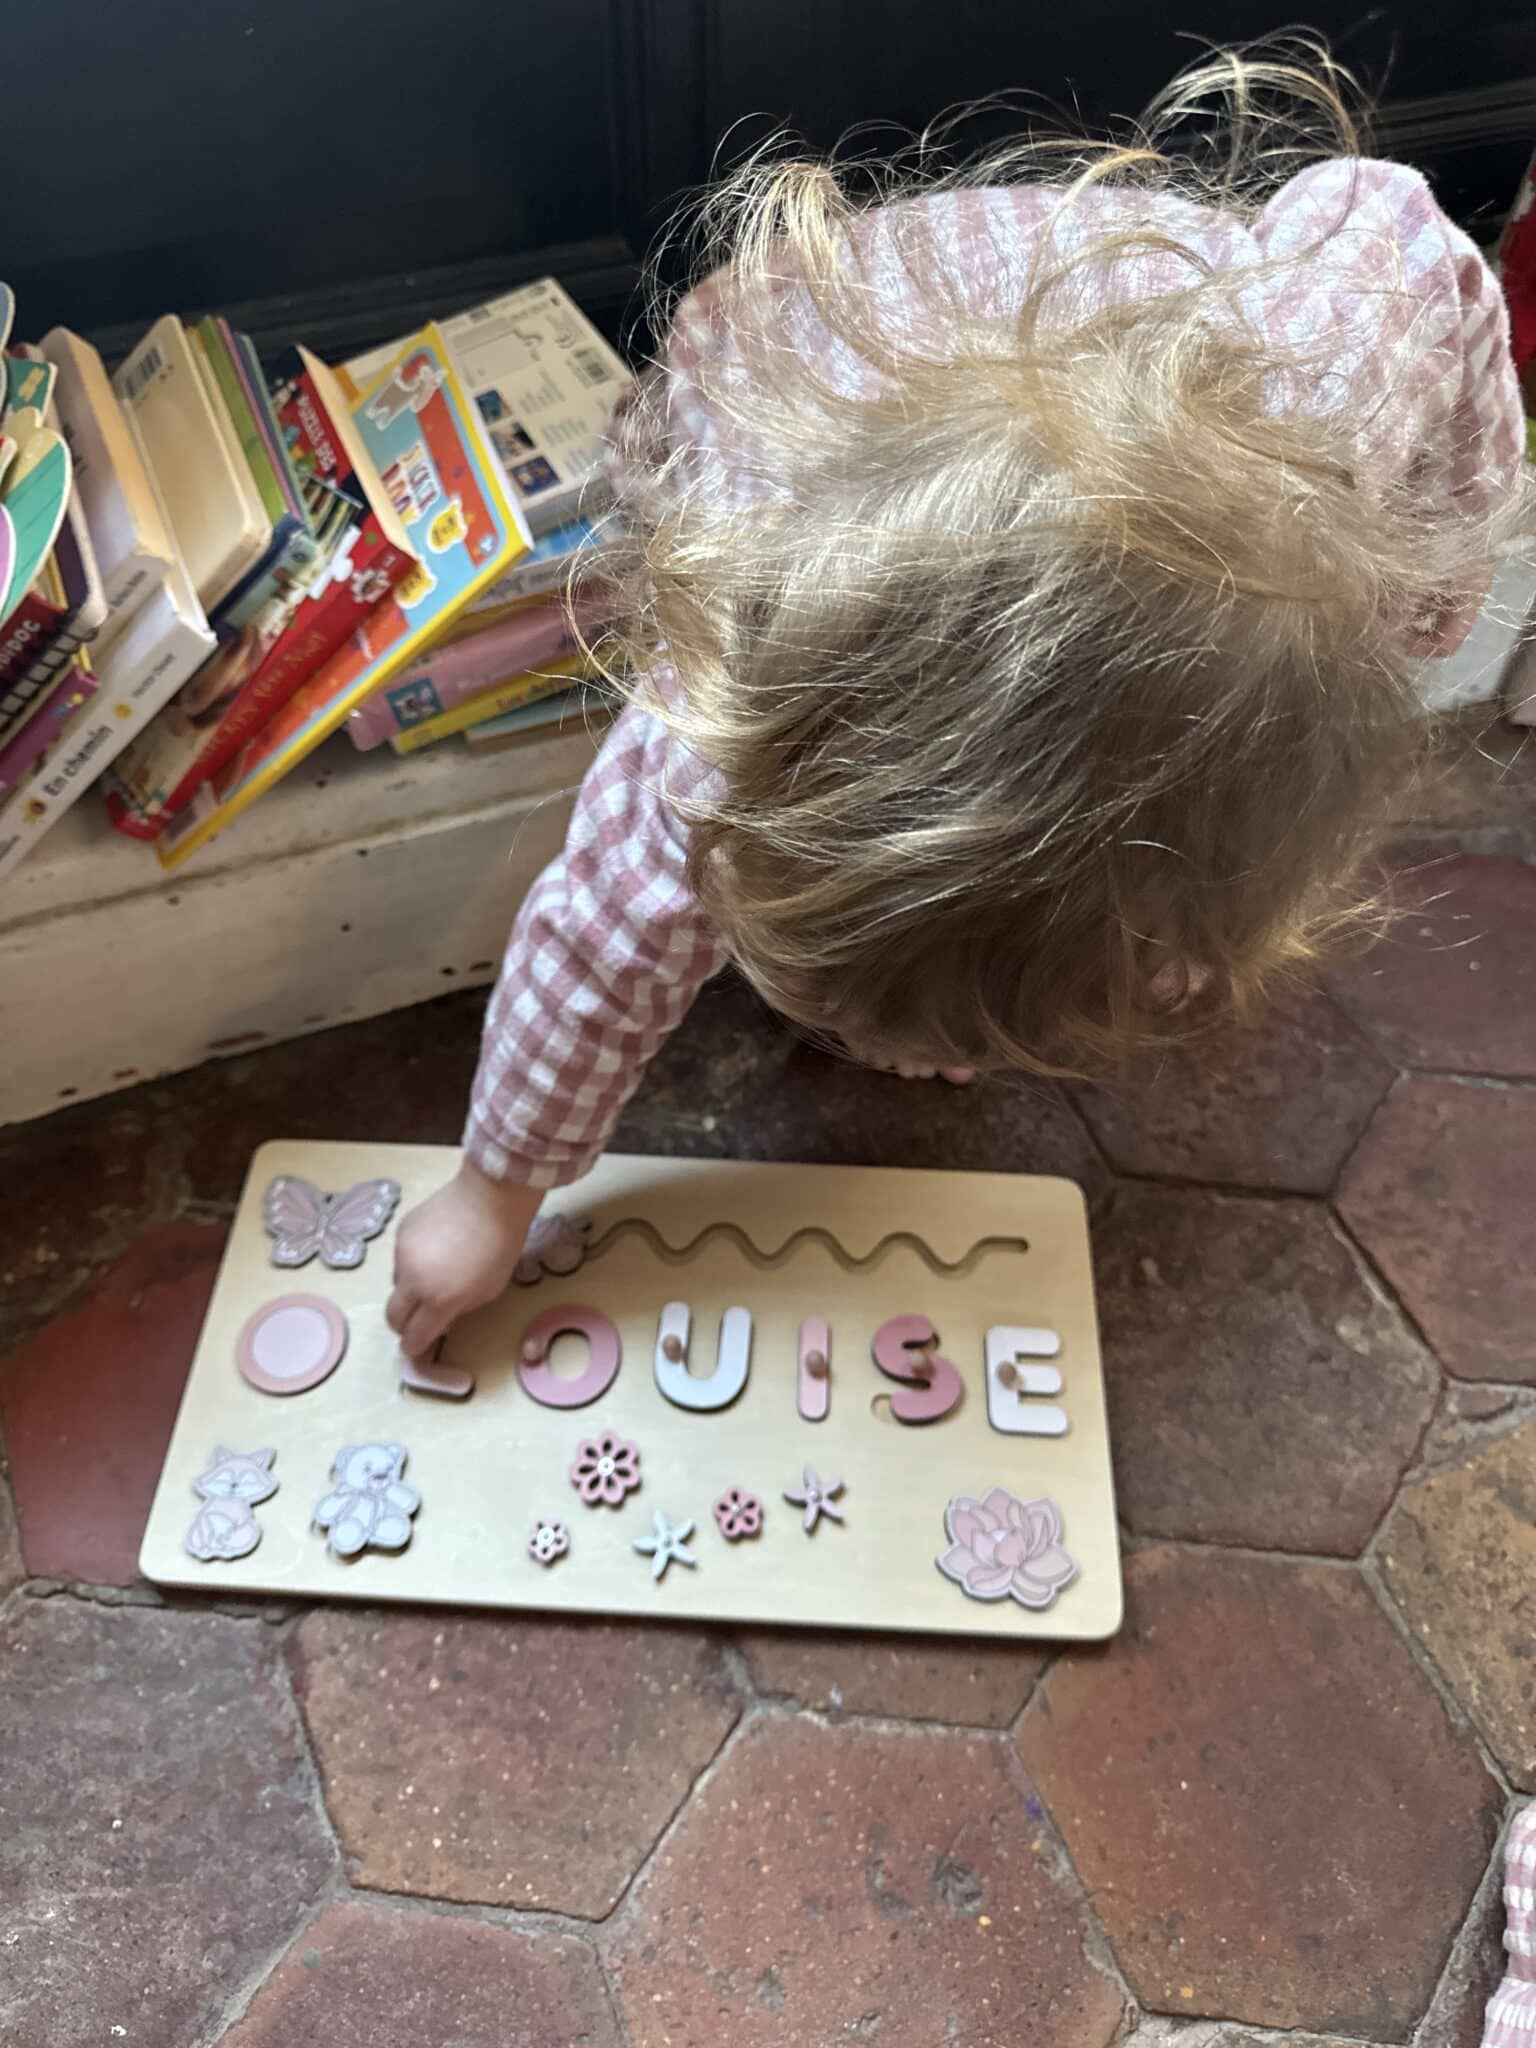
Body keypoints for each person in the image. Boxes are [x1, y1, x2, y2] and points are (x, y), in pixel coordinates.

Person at [387, 44, 1528, 1362]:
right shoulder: (726, 716)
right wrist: (494, 1193)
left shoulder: (1342, 412)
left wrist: (1423, 575)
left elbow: (1401, 229)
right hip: (802, 356)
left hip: (1153, 374)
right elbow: (599, 940)